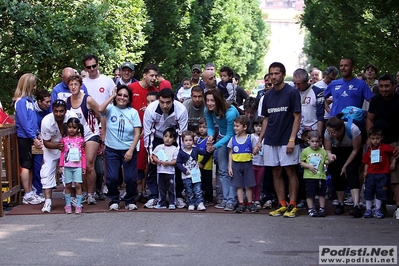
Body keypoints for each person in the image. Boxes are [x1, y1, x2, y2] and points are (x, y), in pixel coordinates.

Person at [254, 62, 301, 218]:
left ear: (283, 74)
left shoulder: (292, 93)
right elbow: (266, 120)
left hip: (286, 140)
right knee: (275, 171)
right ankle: (282, 204)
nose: (273, 77)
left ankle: (292, 205)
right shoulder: (267, 96)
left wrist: (292, 139)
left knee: (290, 171)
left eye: (277, 73)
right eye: (271, 74)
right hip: (271, 140)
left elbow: (297, 117)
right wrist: (260, 140)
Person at [143, 88, 188, 208]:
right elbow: (148, 134)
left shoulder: (181, 110)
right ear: (158, 100)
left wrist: (180, 153)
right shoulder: (151, 110)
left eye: (168, 102)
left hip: (174, 137)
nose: (165, 105)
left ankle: (177, 195)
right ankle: (154, 196)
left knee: (177, 165)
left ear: (173, 100)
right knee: (154, 165)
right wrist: (150, 154)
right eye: (162, 102)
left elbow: (182, 133)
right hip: (157, 137)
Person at [99, 85, 141, 211]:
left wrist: (131, 150)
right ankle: (114, 200)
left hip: (128, 149)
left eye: (125, 96)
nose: (122, 97)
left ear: (129, 99)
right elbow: (100, 109)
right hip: (112, 149)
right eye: (120, 95)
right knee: (112, 177)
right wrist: (111, 95)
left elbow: (137, 133)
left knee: (130, 178)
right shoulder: (110, 109)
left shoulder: (133, 112)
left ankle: (129, 200)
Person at [366, 74, 399, 220]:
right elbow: (370, 119)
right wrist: (369, 137)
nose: (384, 89)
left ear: (393, 85)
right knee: (377, 175)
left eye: (387, 86)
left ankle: (398, 207)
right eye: (381, 86)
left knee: (395, 178)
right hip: (376, 144)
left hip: (394, 143)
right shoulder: (376, 100)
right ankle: (380, 207)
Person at [66, 74, 101, 205]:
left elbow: (101, 113)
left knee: (89, 164)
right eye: (71, 84)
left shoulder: (88, 99)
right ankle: (85, 192)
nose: (73, 87)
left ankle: (91, 194)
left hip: (91, 133)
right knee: (80, 166)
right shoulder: (67, 102)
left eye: (75, 84)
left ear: (80, 86)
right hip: (76, 137)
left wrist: (102, 132)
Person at [40, 100, 78, 212]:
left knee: (72, 170)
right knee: (47, 170)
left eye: (61, 111)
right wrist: (58, 145)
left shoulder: (72, 116)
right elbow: (46, 142)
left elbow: (78, 134)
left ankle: (72, 198)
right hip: (52, 146)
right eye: (56, 111)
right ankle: (48, 201)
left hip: (70, 145)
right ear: (52, 110)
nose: (58, 114)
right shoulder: (46, 121)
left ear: (65, 111)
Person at [205, 89, 240, 211]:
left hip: (235, 139)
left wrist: (215, 145)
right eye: (207, 100)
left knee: (232, 170)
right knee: (223, 170)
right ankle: (226, 199)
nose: (209, 103)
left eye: (212, 100)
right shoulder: (208, 110)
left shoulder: (230, 113)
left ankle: (232, 199)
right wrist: (210, 136)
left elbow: (230, 134)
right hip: (221, 136)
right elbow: (210, 126)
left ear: (218, 101)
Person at [13, 73, 43, 205]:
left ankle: (31, 190)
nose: (34, 87)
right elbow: (24, 122)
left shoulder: (29, 101)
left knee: (30, 165)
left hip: (32, 135)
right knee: (25, 165)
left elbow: (32, 120)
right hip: (25, 137)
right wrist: (32, 136)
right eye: (32, 85)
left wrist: (37, 133)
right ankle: (27, 192)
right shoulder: (21, 102)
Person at [324, 114, 362, 217]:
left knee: (351, 173)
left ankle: (356, 205)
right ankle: (340, 203)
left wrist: (345, 166)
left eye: (334, 132)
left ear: (341, 130)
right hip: (337, 150)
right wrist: (330, 155)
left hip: (351, 151)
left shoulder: (353, 129)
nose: (331, 134)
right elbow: (328, 148)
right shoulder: (328, 132)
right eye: (329, 132)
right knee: (337, 175)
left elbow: (356, 150)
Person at [362, 127, 396, 219]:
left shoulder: (385, 148)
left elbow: (396, 152)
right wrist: (365, 171)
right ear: (369, 139)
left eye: (377, 138)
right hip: (371, 174)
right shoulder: (369, 150)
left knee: (380, 192)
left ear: (381, 138)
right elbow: (366, 162)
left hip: (383, 174)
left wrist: (394, 162)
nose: (375, 141)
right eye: (373, 139)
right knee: (369, 191)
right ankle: (368, 209)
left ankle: (378, 209)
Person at [228, 115, 258, 213]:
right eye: (234, 126)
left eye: (237, 126)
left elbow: (255, 149)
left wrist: (256, 150)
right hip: (236, 165)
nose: (235, 128)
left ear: (244, 127)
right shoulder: (232, 139)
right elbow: (231, 152)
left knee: (249, 185)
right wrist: (230, 167)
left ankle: (250, 203)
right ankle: (241, 203)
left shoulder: (251, 138)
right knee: (238, 185)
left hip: (247, 164)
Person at [59, 118, 86, 214]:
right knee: (68, 185)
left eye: (74, 127)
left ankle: (78, 205)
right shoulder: (64, 140)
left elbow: (83, 154)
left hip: (78, 166)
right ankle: (68, 204)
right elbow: (62, 153)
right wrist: (61, 165)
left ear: (78, 128)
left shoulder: (81, 140)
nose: (71, 129)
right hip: (67, 166)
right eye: (70, 127)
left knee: (78, 184)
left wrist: (84, 166)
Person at [177, 131, 209, 211]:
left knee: (198, 190)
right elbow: (178, 163)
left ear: (193, 141)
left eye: (190, 140)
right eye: (186, 140)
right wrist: (184, 170)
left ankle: (199, 203)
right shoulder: (181, 152)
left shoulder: (195, 150)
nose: (188, 142)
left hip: (196, 175)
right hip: (186, 176)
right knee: (189, 191)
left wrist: (208, 149)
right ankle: (191, 203)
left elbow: (204, 153)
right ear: (183, 141)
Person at [300, 130, 329, 217]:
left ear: (320, 141)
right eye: (312, 141)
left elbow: (326, 161)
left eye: (317, 141)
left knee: (322, 194)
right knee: (310, 194)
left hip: (320, 176)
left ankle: (322, 208)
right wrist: (309, 166)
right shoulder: (305, 151)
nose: (315, 143)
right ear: (308, 141)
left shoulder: (323, 151)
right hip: (310, 176)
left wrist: (329, 161)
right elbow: (301, 162)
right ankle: (311, 209)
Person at [150, 128, 179, 210]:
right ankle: (161, 202)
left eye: (170, 137)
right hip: (160, 172)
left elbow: (176, 161)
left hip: (170, 173)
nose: (167, 139)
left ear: (174, 140)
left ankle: (172, 202)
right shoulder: (159, 147)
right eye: (165, 136)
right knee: (161, 188)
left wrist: (168, 163)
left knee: (171, 188)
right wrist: (157, 161)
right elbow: (154, 156)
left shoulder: (174, 149)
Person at [32, 89, 51, 199]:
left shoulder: (49, 110)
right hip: (37, 140)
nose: (49, 104)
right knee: (38, 164)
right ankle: (38, 189)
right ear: (39, 101)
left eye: (49, 102)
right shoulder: (33, 111)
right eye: (46, 102)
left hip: (49, 139)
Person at [196, 118, 214, 206]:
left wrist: (202, 162)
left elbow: (208, 152)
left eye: (204, 127)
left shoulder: (209, 140)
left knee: (207, 182)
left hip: (206, 165)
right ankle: (201, 196)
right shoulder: (197, 139)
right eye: (200, 127)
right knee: (200, 181)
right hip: (198, 165)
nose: (201, 129)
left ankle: (209, 198)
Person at [251, 116, 264, 209]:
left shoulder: (265, 138)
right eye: (256, 126)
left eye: (261, 126)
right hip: (252, 163)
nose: (258, 128)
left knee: (258, 183)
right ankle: (250, 198)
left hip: (262, 164)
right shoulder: (251, 137)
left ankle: (257, 199)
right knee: (252, 182)